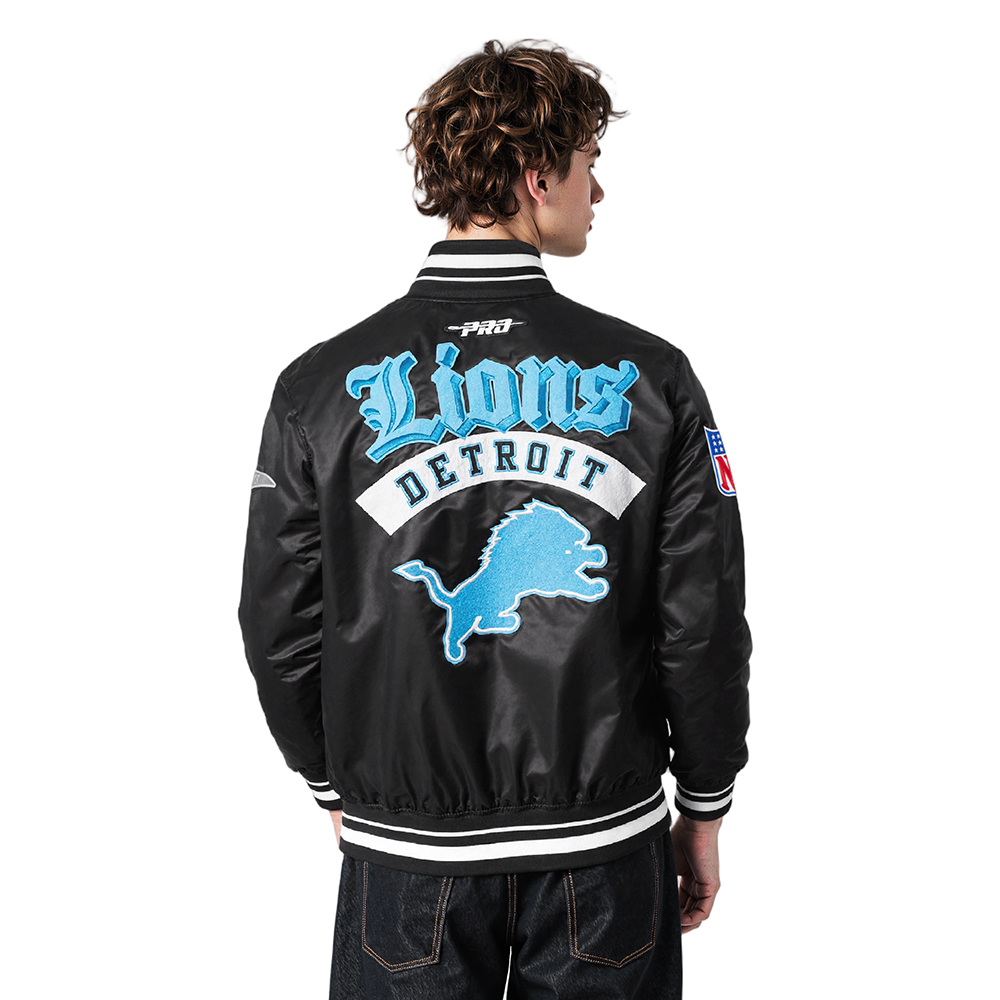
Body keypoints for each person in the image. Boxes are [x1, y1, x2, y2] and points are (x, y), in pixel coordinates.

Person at [238, 39, 751, 1000]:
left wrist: (336, 785)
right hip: (602, 848)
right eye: (590, 165)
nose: (599, 192)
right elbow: (703, 620)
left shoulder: (317, 387)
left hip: (409, 851)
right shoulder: (654, 377)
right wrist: (706, 802)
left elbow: (277, 625)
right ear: (535, 175)